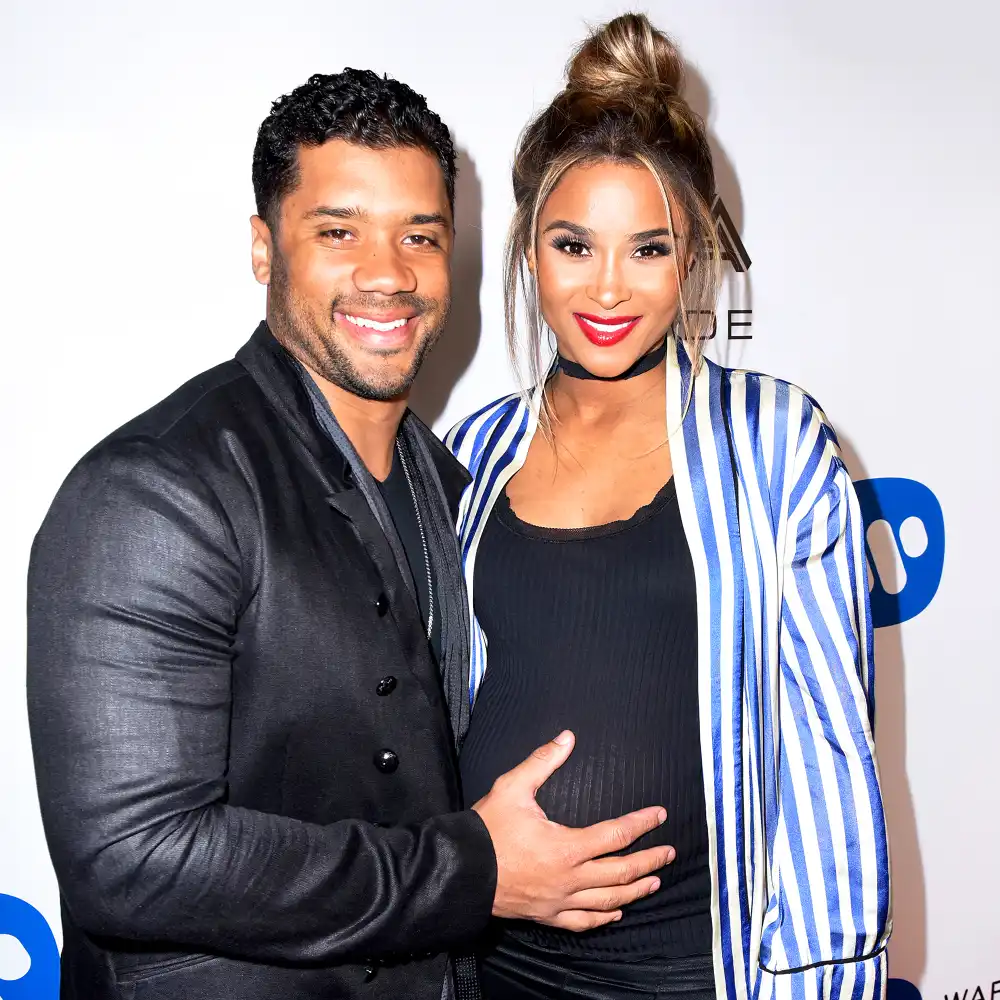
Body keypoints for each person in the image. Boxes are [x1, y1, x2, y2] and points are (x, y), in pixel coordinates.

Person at [26, 68, 677, 1000]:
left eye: (421, 235)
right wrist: (475, 871)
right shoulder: (156, 491)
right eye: (339, 232)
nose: (388, 272)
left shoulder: (453, 477)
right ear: (264, 248)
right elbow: (132, 858)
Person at [449, 14, 892, 1000]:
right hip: (491, 968)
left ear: (691, 253)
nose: (607, 286)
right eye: (574, 244)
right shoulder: (470, 455)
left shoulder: (772, 442)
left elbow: (828, 760)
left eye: (646, 249)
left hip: (693, 974)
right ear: (529, 247)